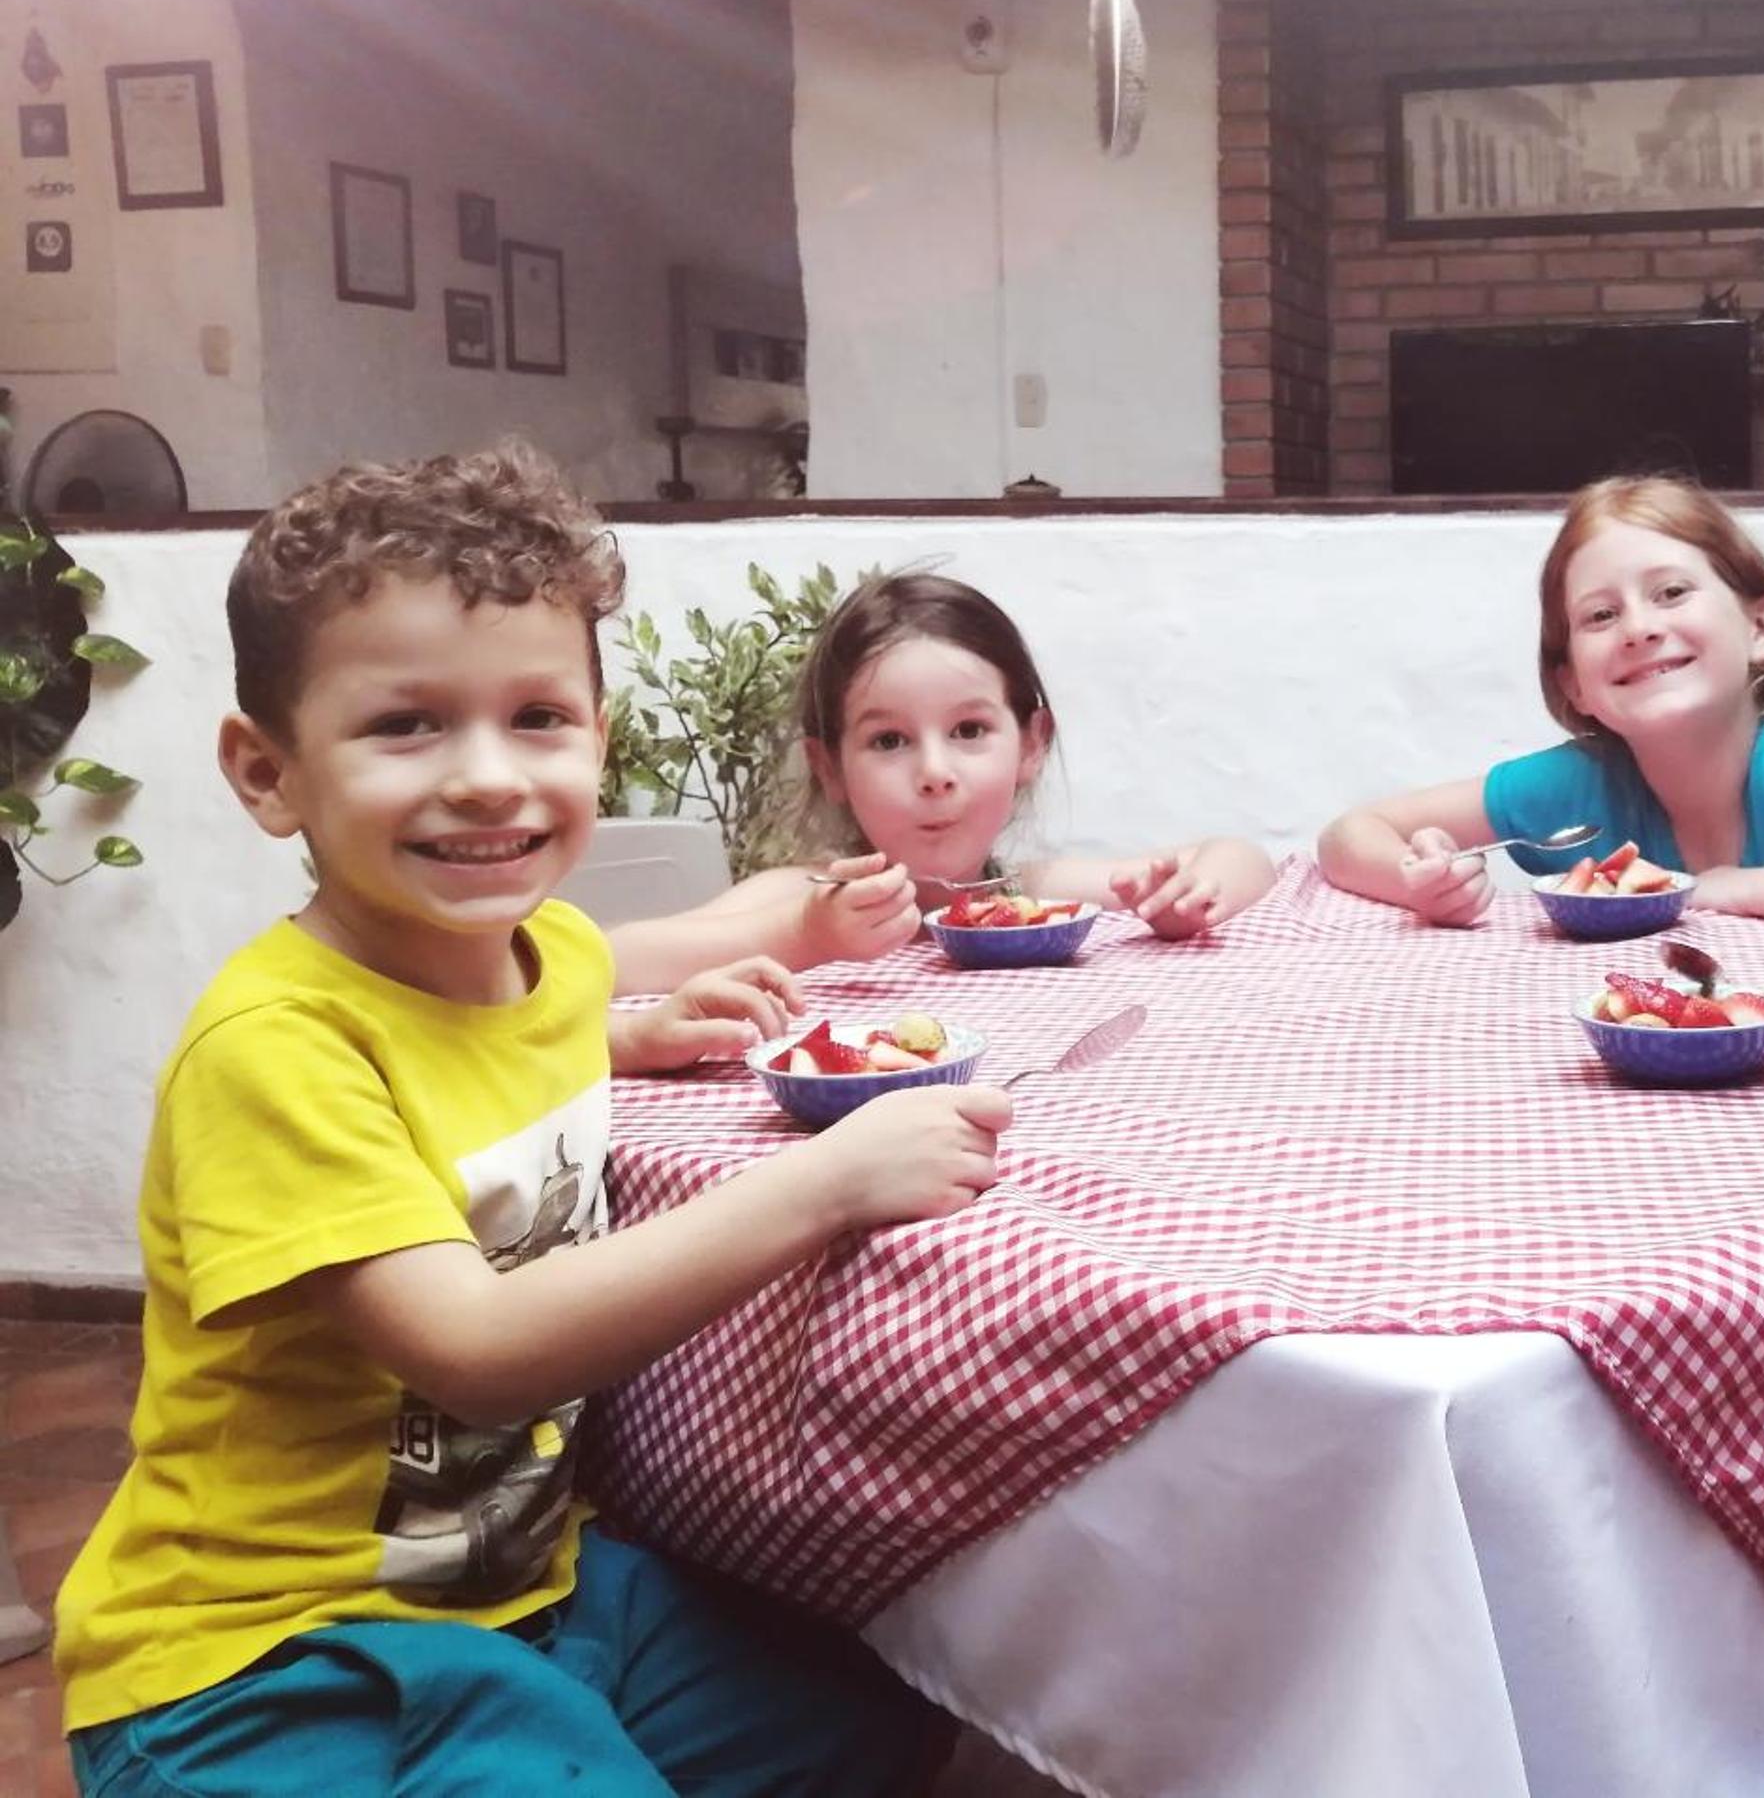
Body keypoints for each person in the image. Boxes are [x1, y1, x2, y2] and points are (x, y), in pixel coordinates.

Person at [54, 443, 1000, 1795]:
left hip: (523, 1590)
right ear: (268, 773)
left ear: (597, 739)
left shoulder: (546, 959)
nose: (489, 777)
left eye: (539, 717)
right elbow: (479, 1352)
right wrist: (828, 1183)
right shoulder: (273, 1048)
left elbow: (630, 969)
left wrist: (639, 1027)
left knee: (878, 1710)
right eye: (406, 726)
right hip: (275, 1657)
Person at [1316, 474, 1764, 942]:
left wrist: (1735, 890)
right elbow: (1350, 836)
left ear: (1761, 628)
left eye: (1671, 593)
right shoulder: (1580, 784)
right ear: (1574, 684)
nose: (1638, 628)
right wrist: (1423, 883)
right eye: (1600, 616)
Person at [621, 570, 1276, 980]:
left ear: (1031, 744)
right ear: (830, 768)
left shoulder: (1028, 890)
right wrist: (803, 934)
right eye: (889, 740)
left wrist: (1188, 898)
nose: (935, 773)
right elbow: (610, 962)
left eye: (968, 731)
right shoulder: (804, 896)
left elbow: (1244, 858)